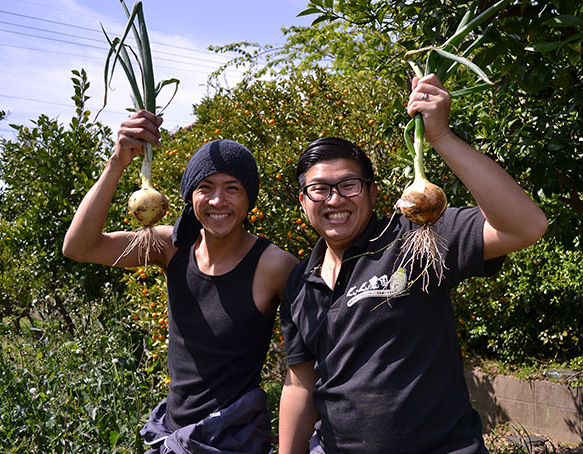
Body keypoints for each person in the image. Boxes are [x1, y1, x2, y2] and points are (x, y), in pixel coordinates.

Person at [278, 74, 548, 454]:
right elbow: (301, 384)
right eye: (319, 189)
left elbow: (526, 226)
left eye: (349, 185)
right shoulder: (299, 283)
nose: (334, 199)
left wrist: (441, 137)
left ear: (373, 192)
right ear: (304, 202)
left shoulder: (415, 237)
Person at [62, 110, 298, 454]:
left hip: (234, 438)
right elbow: (80, 247)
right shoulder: (169, 246)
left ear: (249, 199)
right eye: (206, 188)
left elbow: (305, 364)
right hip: (171, 433)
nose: (218, 201)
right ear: (190, 196)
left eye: (233, 188)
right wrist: (118, 161)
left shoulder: (274, 265)